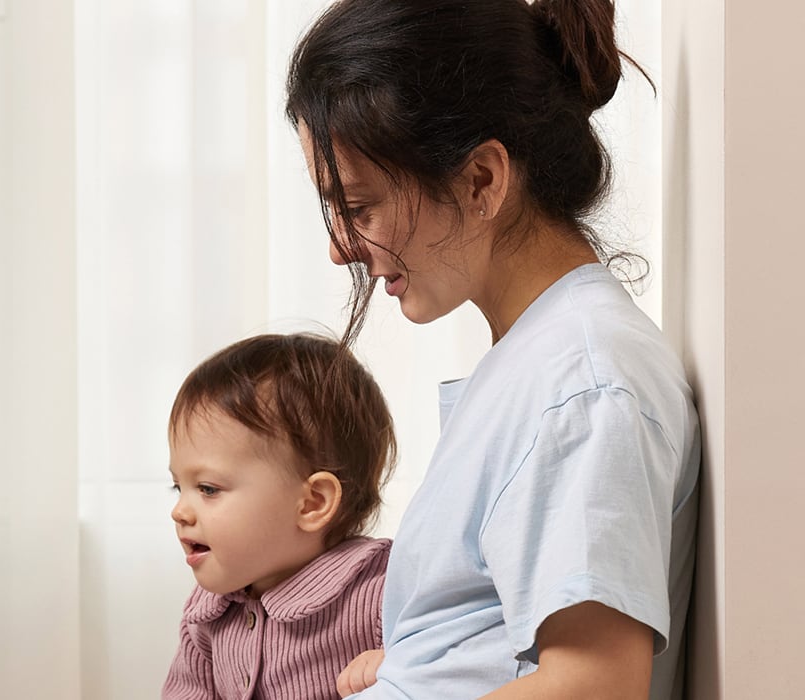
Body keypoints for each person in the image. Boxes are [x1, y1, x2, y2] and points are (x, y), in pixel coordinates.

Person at [283, 0, 700, 697]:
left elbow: (593, 683)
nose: (338, 250)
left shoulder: (585, 384)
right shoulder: (546, 359)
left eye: (359, 208)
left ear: (481, 181)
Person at [161, 333, 396, 700]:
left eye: (208, 489)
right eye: (178, 487)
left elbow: (453, 668)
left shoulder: (383, 590)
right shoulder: (207, 612)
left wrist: (395, 668)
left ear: (312, 503)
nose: (179, 511)